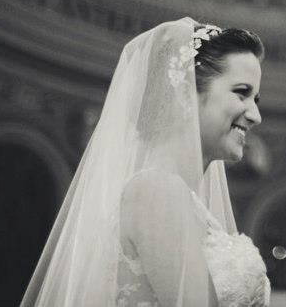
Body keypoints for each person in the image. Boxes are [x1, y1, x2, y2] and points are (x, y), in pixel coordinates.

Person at [21, 18, 271, 307]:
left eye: (256, 99)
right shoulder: (156, 191)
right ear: (185, 93)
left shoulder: (187, 202)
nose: (255, 116)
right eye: (241, 93)